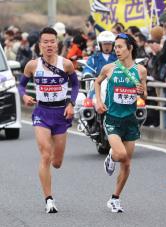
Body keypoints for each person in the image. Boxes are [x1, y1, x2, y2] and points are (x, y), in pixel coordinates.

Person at [18, 27, 79, 213]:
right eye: (45, 42)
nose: (49, 45)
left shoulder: (66, 64)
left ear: (57, 43)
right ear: (40, 45)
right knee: (45, 155)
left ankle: (54, 159)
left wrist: (71, 103)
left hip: (61, 114)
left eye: (52, 41)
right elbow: (21, 85)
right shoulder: (32, 65)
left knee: (57, 162)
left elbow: (75, 84)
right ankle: (49, 200)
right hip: (42, 112)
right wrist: (24, 96)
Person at [94, 33, 147, 213]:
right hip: (113, 119)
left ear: (130, 48)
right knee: (121, 154)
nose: (116, 50)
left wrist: (141, 91)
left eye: (120, 47)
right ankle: (111, 155)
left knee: (127, 163)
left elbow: (144, 94)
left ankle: (115, 199)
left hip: (130, 120)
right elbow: (97, 82)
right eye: (115, 47)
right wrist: (99, 103)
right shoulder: (109, 68)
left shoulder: (140, 70)